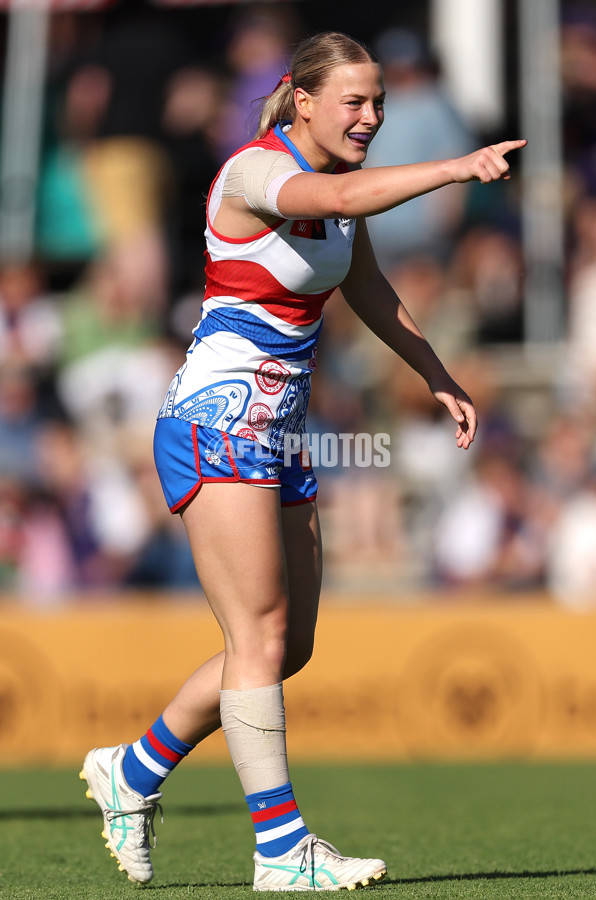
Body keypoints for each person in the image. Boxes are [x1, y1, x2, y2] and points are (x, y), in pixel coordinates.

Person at [79, 31, 526, 891]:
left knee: (288, 647)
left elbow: (363, 286)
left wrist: (436, 374)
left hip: (278, 430)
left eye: (380, 102)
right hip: (216, 420)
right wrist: (454, 168)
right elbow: (343, 193)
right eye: (355, 101)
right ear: (306, 100)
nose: (371, 115)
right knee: (257, 638)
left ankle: (132, 770)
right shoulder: (257, 171)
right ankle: (282, 850)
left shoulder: (338, 197)